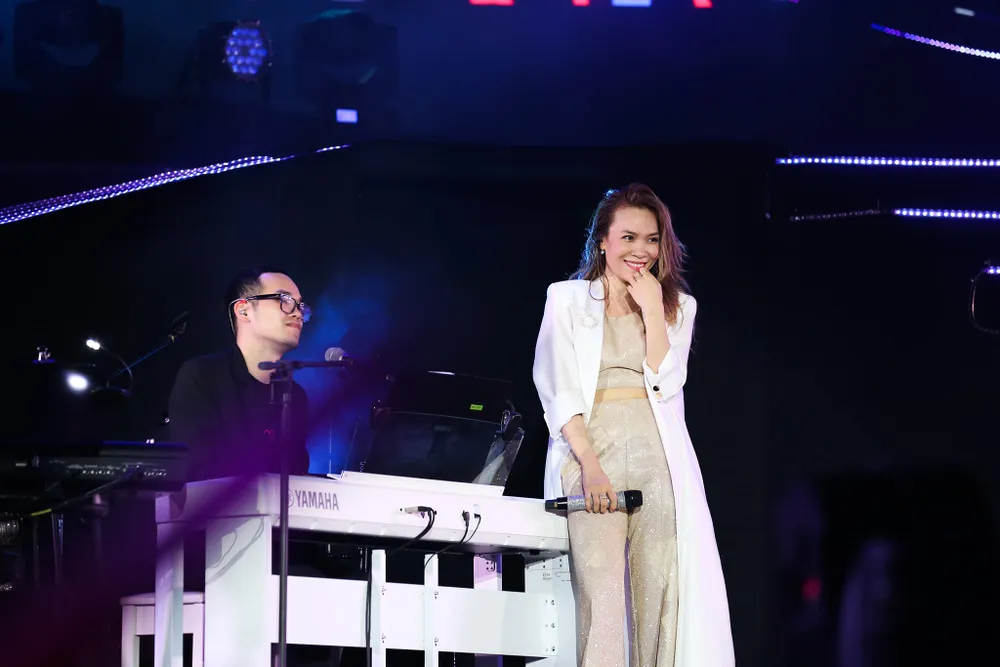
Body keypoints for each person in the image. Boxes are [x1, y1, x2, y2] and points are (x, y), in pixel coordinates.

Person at [532, 184, 734, 667]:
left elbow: (667, 384)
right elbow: (557, 388)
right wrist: (589, 465)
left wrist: (653, 311)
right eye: (628, 237)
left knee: (659, 603)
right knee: (601, 607)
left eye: (651, 239)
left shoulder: (678, 308)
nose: (640, 250)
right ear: (602, 241)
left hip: (657, 457)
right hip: (591, 452)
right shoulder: (566, 299)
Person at [168, 265, 312, 481]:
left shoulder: (295, 396)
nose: (297, 313)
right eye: (284, 299)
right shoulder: (203, 376)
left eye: (300, 305)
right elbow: (197, 470)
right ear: (243, 310)